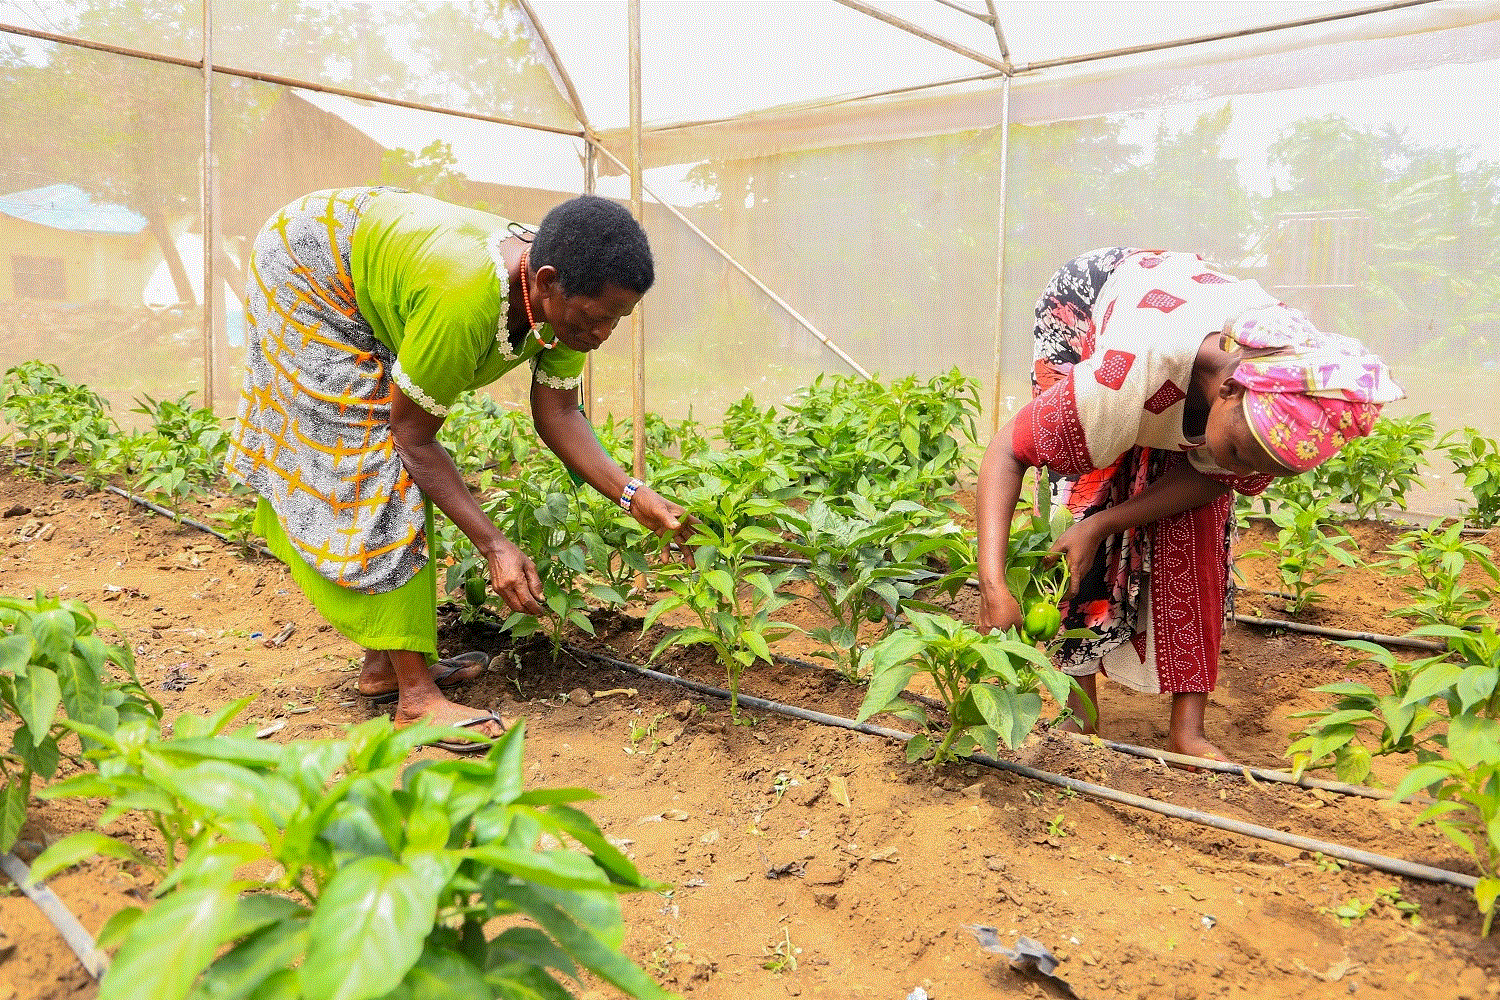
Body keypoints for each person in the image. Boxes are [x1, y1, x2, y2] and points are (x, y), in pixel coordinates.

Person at [226, 187, 695, 750]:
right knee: (376, 462)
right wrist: (495, 545)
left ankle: (385, 664)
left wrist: (633, 494)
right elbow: (412, 437)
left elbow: (559, 412)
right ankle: (416, 699)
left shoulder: (564, 302)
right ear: (547, 282)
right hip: (311, 270)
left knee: (393, 445)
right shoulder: (465, 298)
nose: (602, 334)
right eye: (597, 318)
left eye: (618, 319)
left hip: (380, 262)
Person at [975, 247, 1402, 762]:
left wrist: (1107, 525)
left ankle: (1188, 728)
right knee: (1083, 494)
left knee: (1198, 529)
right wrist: (994, 585)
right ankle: (1077, 708)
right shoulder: (1129, 370)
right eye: (1240, 453)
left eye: (1263, 467)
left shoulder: (1286, 377)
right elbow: (1008, 451)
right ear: (1229, 389)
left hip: (1176, 348)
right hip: (1094, 304)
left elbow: (1211, 479)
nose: (1244, 471)